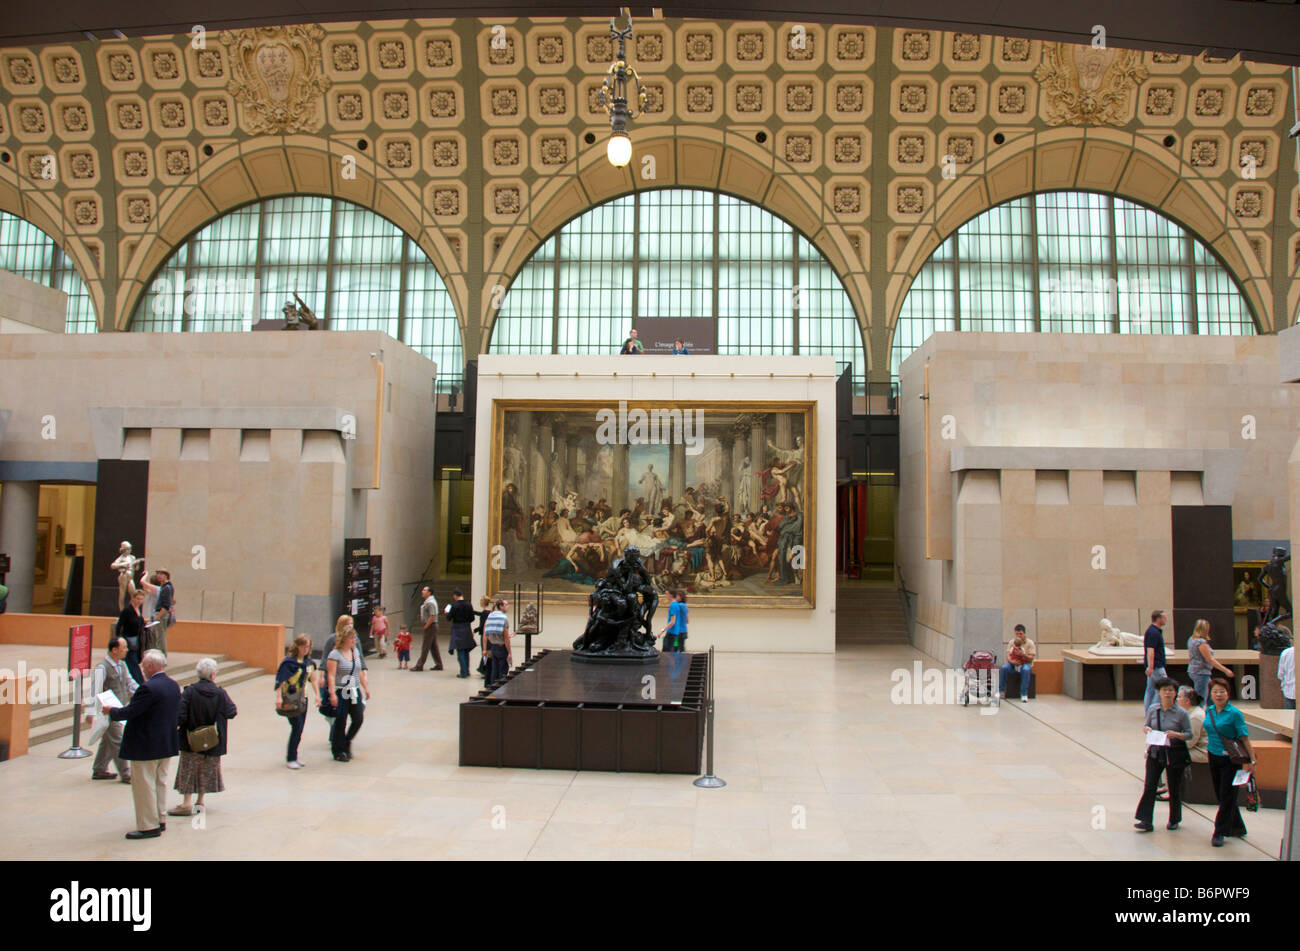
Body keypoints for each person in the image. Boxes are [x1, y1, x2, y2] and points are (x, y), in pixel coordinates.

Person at [108, 649, 180, 840]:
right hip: (166, 743)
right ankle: (160, 818)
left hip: (146, 745)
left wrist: (111, 711)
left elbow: (132, 711)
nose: (142, 670)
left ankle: (148, 825)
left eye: (143, 666)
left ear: (149, 667)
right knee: (159, 782)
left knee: (144, 785)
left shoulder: (148, 688)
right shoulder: (173, 685)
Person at [169, 657, 237, 817]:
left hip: (191, 738)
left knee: (188, 768)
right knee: (206, 770)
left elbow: (181, 714)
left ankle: (186, 803)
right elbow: (232, 712)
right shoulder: (220, 693)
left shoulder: (189, 691)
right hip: (212, 739)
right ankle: (200, 801)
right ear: (213, 675)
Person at [1134, 677, 1191, 832]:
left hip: (1174, 753)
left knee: (1174, 787)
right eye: (1164, 690)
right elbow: (1146, 725)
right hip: (1155, 752)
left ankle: (1174, 819)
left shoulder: (1181, 713)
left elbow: (1189, 734)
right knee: (1150, 786)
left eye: (1171, 690)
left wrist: (1177, 735)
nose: (1168, 693)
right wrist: (1146, 730)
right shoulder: (1153, 709)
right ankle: (1145, 819)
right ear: (1158, 692)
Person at [1204, 677, 1256, 847]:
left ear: (1228, 694)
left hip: (1231, 760)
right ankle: (1237, 826)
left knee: (1227, 795)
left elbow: (1244, 738)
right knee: (1221, 795)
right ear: (1210, 694)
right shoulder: (1209, 711)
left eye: (1222, 692)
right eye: (1215, 691)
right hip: (1213, 756)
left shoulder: (1234, 713)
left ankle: (1219, 832)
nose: (1218, 695)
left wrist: (1251, 760)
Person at [88, 636, 138, 782]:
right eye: (124, 647)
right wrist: (91, 712)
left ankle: (99, 769)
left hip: (119, 710)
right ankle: (126, 773)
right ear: (114, 650)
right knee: (117, 740)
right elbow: (94, 690)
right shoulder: (102, 667)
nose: (126, 650)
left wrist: (143, 693)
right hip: (107, 711)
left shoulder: (122, 665)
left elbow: (130, 683)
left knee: (108, 740)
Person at [275, 634, 320, 769]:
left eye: (307, 647)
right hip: (290, 698)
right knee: (296, 727)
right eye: (303, 646)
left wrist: (318, 695)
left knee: (299, 728)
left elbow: (313, 679)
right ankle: (291, 757)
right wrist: (278, 698)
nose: (305, 649)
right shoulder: (288, 663)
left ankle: (294, 756)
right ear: (298, 646)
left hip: (302, 699)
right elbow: (280, 681)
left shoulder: (309, 664)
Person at [327, 628, 370, 762]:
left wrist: (365, 688)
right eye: (352, 638)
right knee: (341, 720)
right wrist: (332, 693)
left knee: (358, 717)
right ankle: (338, 750)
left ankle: (346, 741)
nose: (354, 641)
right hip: (341, 689)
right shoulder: (335, 654)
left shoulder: (355, 651)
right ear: (345, 639)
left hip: (354, 689)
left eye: (355, 638)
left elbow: (359, 671)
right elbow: (331, 675)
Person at [1186, 618, 1233, 704]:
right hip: (1201, 672)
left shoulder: (1191, 639)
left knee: (1211, 695)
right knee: (1201, 698)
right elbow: (1210, 659)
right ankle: (1200, 715)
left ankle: (1214, 712)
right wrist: (1225, 670)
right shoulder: (1201, 642)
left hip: (1194, 670)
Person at [116, 588, 150, 685]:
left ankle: (134, 682)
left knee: (133, 661)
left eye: (141, 599)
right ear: (133, 598)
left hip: (137, 640)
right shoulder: (127, 611)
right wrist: (118, 640)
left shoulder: (138, 610)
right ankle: (140, 683)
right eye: (138, 599)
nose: (139, 601)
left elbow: (140, 623)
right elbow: (119, 625)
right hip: (129, 640)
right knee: (132, 662)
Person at [445, 588, 478, 678]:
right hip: (466, 627)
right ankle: (466, 670)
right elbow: (472, 618)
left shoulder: (454, 606)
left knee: (460, 650)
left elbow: (448, 618)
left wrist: (446, 613)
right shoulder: (468, 604)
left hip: (457, 628)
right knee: (466, 650)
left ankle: (463, 672)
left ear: (455, 596)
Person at [999, 624, 1036, 702]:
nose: (1019, 636)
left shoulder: (1030, 643)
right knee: (1004, 668)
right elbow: (1008, 655)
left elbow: (1031, 658)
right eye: (1017, 634)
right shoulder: (1012, 642)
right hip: (1013, 664)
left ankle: (1024, 694)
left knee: (1026, 669)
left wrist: (1023, 655)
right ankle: (1001, 691)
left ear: (1024, 633)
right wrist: (1012, 661)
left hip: (1025, 664)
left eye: (1021, 634)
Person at [412, 585, 444, 671]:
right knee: (433, 647)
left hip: (431, 626)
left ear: (429, 593)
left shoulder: (430, 603)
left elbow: (432, 615)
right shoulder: (429, 601)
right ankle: (439, 664)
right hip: (432, 625)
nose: (422, 591)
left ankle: (419, 665)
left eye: (424, 590)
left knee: (425, 646)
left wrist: (426, 625)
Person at [1143, 609, 1169, 713]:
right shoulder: (1153, 632)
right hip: (1157, 666)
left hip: (1154, 666)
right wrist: (1151, 666)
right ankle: (1154, 711)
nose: (1166, 619)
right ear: (1158, 619)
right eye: (1164, 617)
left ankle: (1149, 711)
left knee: (1151, 690)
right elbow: (1150, 650)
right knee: (1162, 688)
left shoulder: (1153, 631)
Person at [483, 599, 512, 684]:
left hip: (493, 647)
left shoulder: (490, 616)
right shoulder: (503, 618)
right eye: (506, 605)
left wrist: (492, 641)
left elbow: (486, 634)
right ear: (501, 606)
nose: (508, 607)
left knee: (494, 670)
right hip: (502, 647)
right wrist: (510, 653)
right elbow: (506, 638)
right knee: (502, 672)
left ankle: (493, 689)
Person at [1278, 644, 1295, 710]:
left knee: (1289, 717)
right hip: (1289, 690)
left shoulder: (1286, 652)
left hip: (1288, 690)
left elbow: (1280, 674)